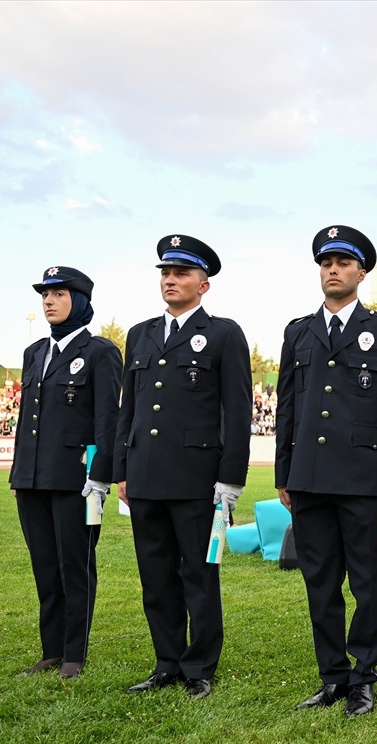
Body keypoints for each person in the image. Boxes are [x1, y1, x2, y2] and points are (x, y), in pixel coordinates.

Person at [275, 225, 377, 717]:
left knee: (369, 582)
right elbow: (288, 406)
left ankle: (363, 675)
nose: (332, 269)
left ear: (361, 272)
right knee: (320, 580)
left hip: (366, 478)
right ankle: (332, 675)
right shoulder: (298, 332)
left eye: (343, 263)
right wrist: (284, 473)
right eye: (326, 262)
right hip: (310, 477)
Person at [116, 234, 252, 699]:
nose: (170, 280)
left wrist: (231, 478)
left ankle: (199, 667)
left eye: (181, 273)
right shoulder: (140, 334)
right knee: (155, 577)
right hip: (146, 475)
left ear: (204, 284)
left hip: (196, 477)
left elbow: (237, 411)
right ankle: (166, 662)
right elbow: (128, 409)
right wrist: (122, 470)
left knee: (198, 573)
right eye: (165, 273)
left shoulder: (224, 333)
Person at [10, 266, 122, 679]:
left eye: (58, 294)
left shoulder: (100, 353)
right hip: (33, 478)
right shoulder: (35, 352)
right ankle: (51, 651)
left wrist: (99, 477)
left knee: (75, 564)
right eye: (45, 294)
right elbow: (27, 418)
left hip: (78, 481)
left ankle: (74, 653)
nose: (48, 301)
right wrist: (18, 474)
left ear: (80, 301)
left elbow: (107, 420)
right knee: (44, 565)